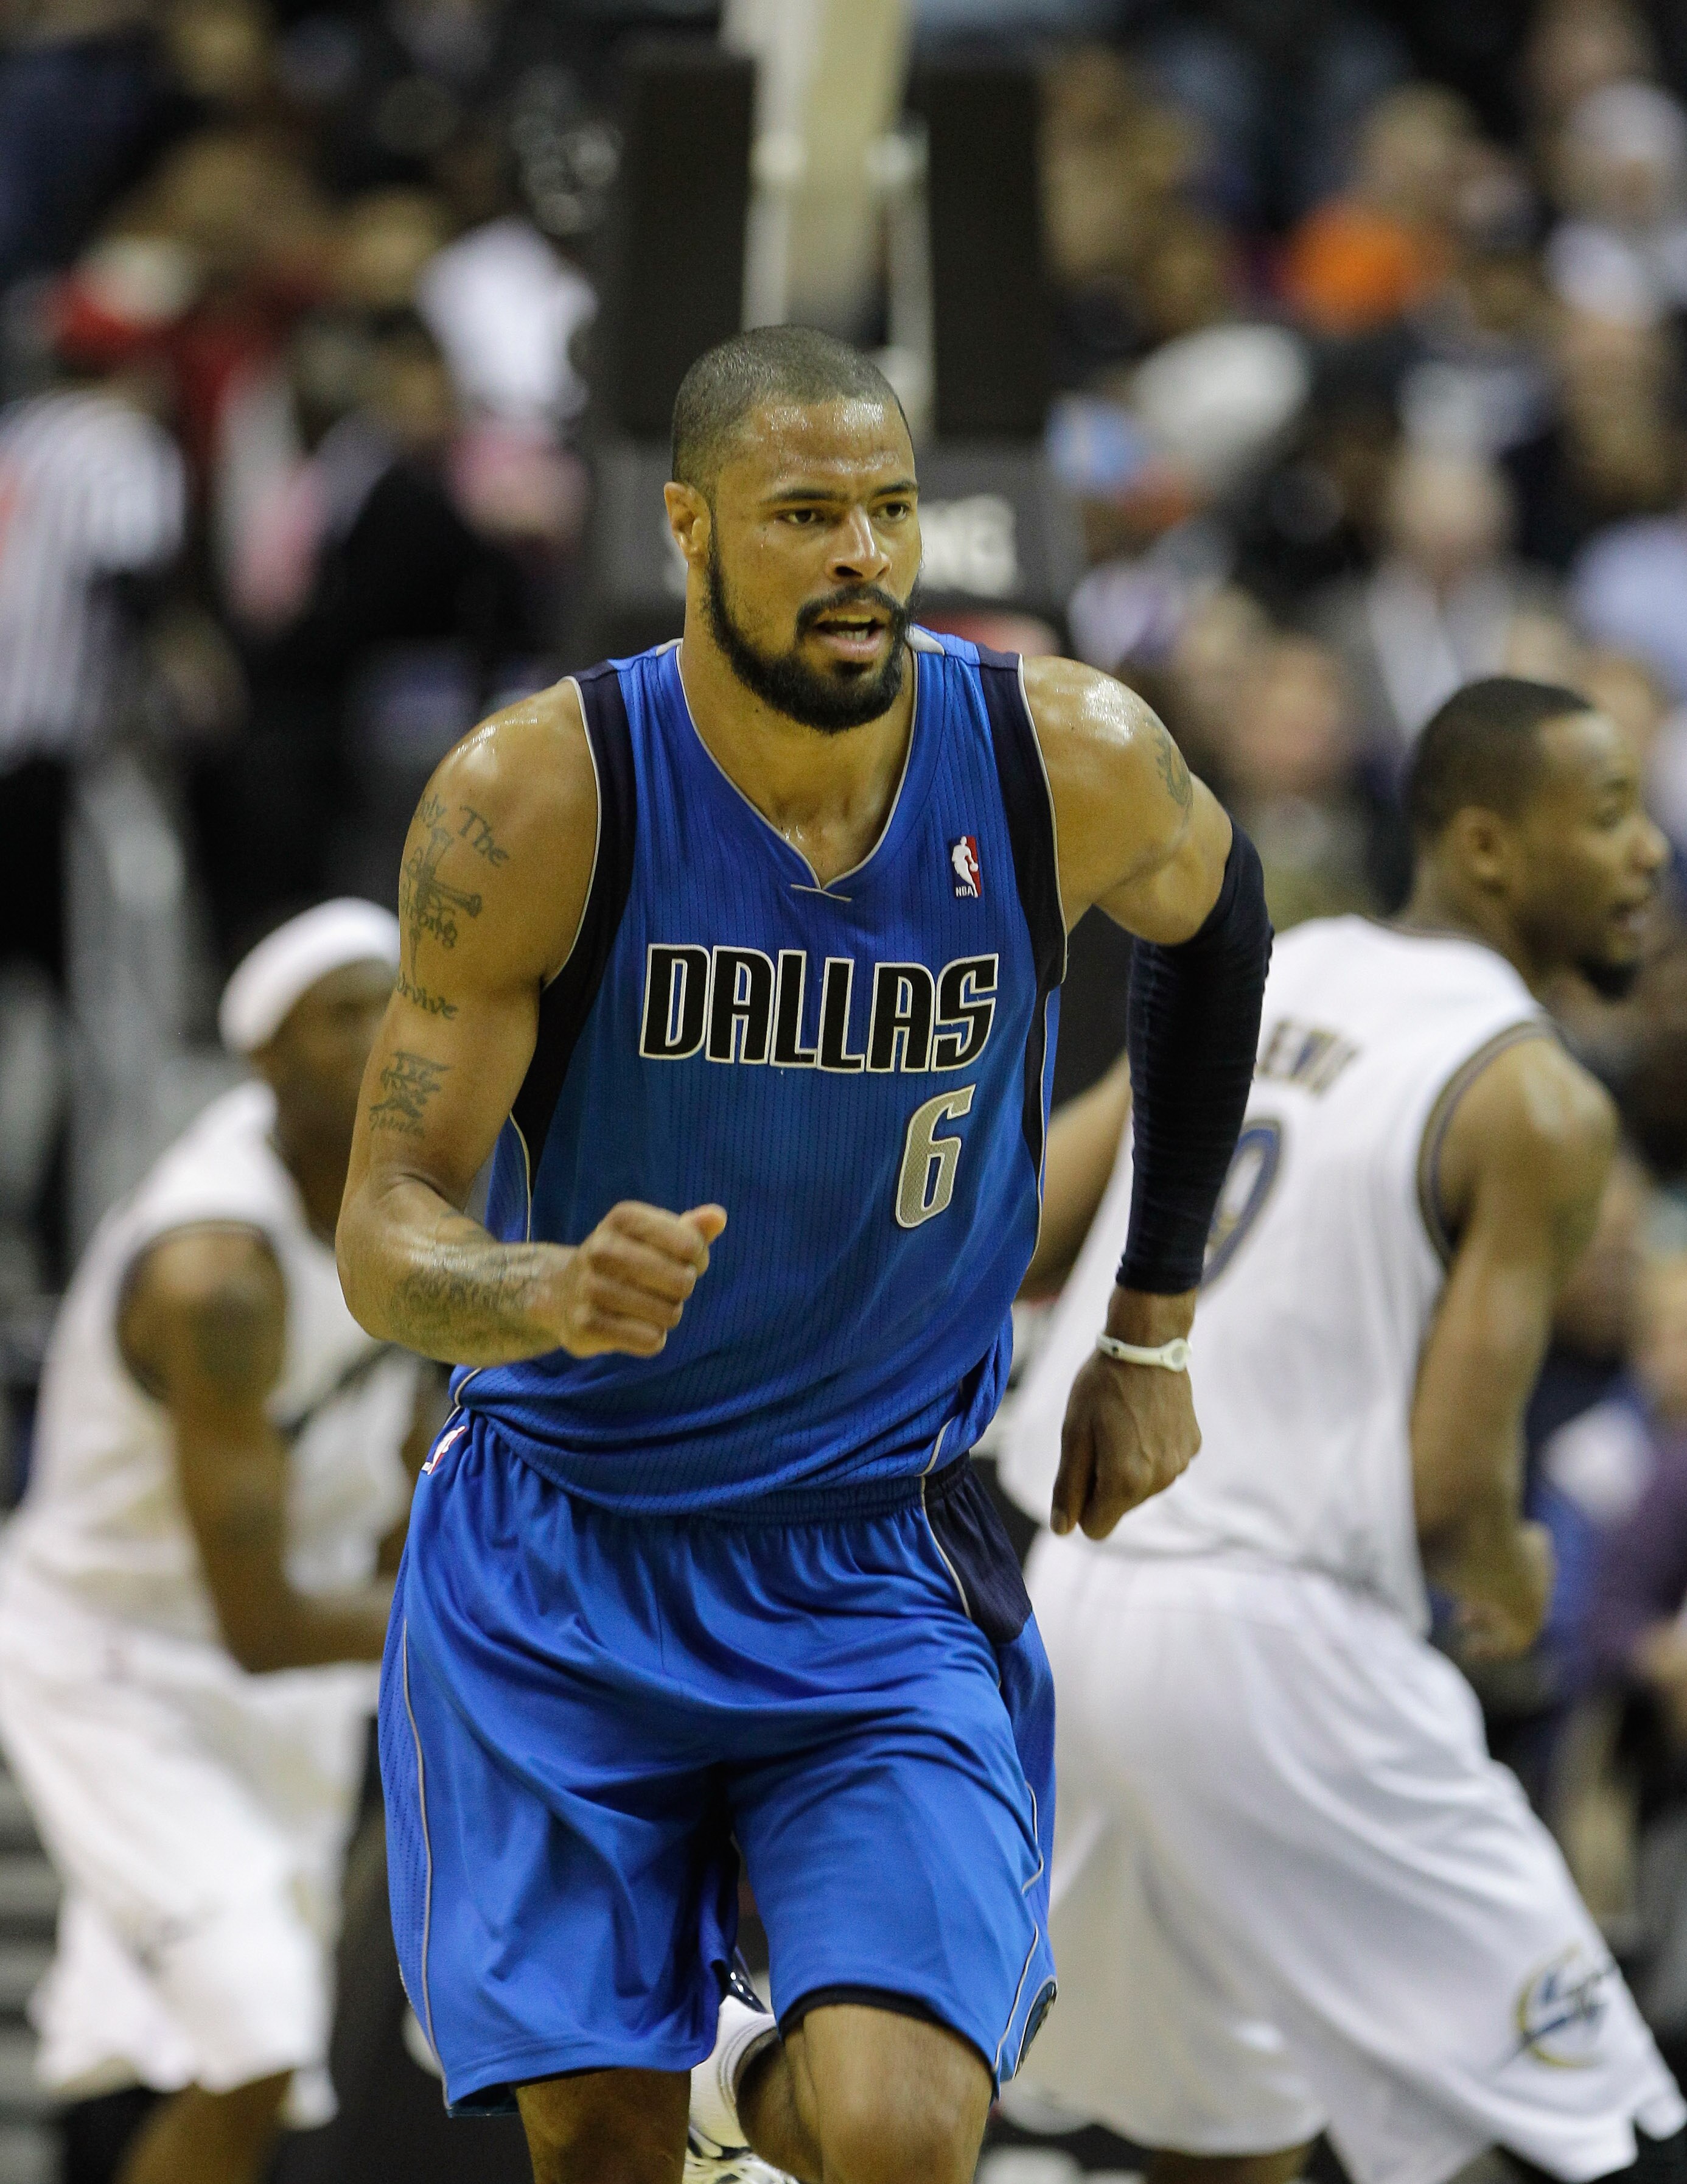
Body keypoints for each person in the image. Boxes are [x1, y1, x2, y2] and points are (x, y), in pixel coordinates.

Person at [333, 323, 1273, 2184]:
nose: (862, 553)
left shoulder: (1056, 753)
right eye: (805, 513)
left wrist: (1148, 1328)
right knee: (587, 2152)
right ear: (686, 528)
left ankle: (731, 2092)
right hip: (565, 1556)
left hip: (870, 1551)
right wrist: (538, 1289)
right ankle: (664, 2100)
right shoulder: (538, 796)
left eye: (892, 511)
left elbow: (1219, 911)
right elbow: (383, 1234)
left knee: (903, 2132)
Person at [996, 674, 1687, 2184]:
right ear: (1491, 847)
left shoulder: (1287, 962)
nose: (1651, 855)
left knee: (1220, 2134)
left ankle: (735, 2084)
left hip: (1077, 1605)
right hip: (1278, 1636)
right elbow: (1452, 1491)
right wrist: (1513, 1571)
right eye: (1614, 814)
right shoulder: (1539, 1100)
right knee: (1595, 2131)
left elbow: (1029, 1225)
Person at [0, 900, 435, 2184]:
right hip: (123, 1665)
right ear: (264, 1063)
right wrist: (480, 1613)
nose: (380, 1040)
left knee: (177, 2040)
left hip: (275, 1675)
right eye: (341, 1016)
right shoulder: (217, 1274)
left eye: (395, 1004)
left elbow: (414, 1433)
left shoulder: (408, 1195)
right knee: (258, 2038)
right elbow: (262, 1629)